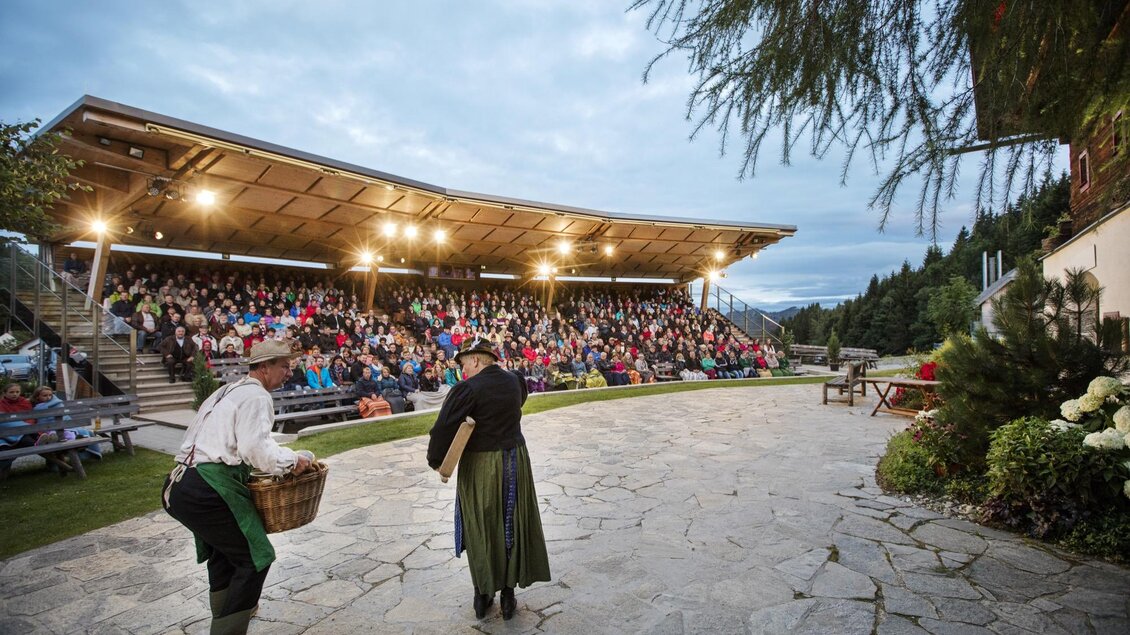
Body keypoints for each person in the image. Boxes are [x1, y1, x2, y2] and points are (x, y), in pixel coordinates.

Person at [162, 339, 312, 634]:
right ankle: (228, 628)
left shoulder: (227, 390)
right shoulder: (256, 397)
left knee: (224, 553)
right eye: (284, 366)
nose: (289, 373)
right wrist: (294, 460)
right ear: (266, 366)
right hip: (208, 488)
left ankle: (226, 613)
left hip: (181, 485)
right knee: (256, 557)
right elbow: (256, 449)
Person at [426, 337, 551, 621]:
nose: (462, 370)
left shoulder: (467, 389)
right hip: (516, 460)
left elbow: (443, 428)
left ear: (477, 359)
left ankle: (483, 593)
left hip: (482, 464)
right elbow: (519, 401)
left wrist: (436, 461)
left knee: (481, 526)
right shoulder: (514, 381)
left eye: (463, 364)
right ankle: (508, 594)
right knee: (511, 525)